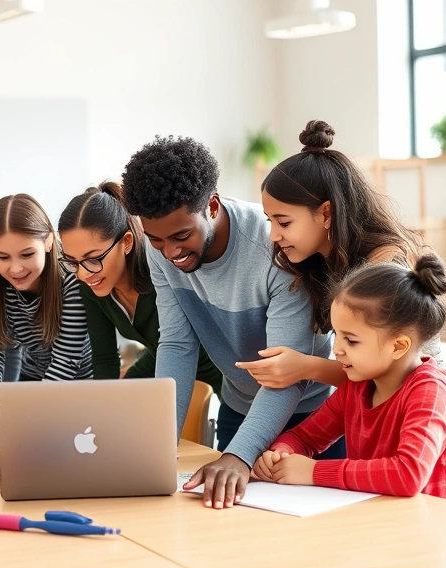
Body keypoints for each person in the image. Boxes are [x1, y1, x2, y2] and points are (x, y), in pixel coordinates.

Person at [118, 135, 337, 510]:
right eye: (156, 240)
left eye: (182, 236)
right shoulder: (162, 250)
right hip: (239, 407)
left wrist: (240, 455)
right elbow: (176, 344)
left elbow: (287, 373)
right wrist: (159, 447)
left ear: (213, 206)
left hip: (311, 418)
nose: (170, 253)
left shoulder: (278, 246)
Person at [236, 120, 446, 432]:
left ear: (326, 214)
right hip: (380, 405)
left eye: (284, 222)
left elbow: (386, 373)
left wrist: (305, 367)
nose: (273, 235)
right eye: (270, 221)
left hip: (422, 410)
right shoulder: (321, 262)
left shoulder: (385, 266)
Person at [253, 255, 446, 501]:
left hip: (422, 530)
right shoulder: (358, 387)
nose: (337, 349)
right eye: (337, 335)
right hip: (373, 522)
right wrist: (280, 453)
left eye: (351, 340)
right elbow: (303, 437)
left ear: (398, 346)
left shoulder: (430, 393)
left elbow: (408, 475)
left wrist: (314, 471)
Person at [56, 182, 223, 397]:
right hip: (167, 372)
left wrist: (135, 376)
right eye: (72, 261)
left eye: (93, 258)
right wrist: (103, 409)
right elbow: (104, 358)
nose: (83, 273)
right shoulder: (90, 283)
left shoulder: (161, 272)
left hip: (220, 372)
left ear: (126, 242)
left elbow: (184, 345)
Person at [0, 193, 93, 429]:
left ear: (49, 241)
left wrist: (33, 409)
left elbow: (66, 361)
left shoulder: (72, 280)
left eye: (27, 254)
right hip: (35, 381)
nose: (16, 268)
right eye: (3, 257)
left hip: (86, 388)